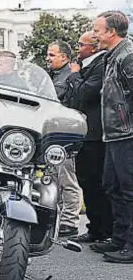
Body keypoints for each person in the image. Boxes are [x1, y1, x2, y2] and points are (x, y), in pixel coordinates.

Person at [91, 10, 133, 263]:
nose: (94, 34)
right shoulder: (111, 56)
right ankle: (118, 238)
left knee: (129, 190)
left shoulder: (128, 56)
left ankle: (130, 244)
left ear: (111, 32)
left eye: (97, 30)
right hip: (114, 134)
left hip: (127, 134)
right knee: (112, 186)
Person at [66, 31, 112, 243]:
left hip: (95, 133)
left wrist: (74, 74)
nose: (77, 48)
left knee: (96, 182)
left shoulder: (101, 65)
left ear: (93, 48)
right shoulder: (87, 66)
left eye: (80, 44)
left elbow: (85, 93)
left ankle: (105, 230)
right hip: (83, 133)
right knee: (85, 180)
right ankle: (95, 227)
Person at [46, 41, 84, 237]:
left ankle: (69, 221)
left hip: (66, 135)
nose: (48, 58)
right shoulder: (52, 76)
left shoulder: (68, 76)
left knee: (66, 178)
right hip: (54, 134)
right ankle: (60, 219)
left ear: (64, 57)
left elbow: (58, 99)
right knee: (54, 178)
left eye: (52, 55)